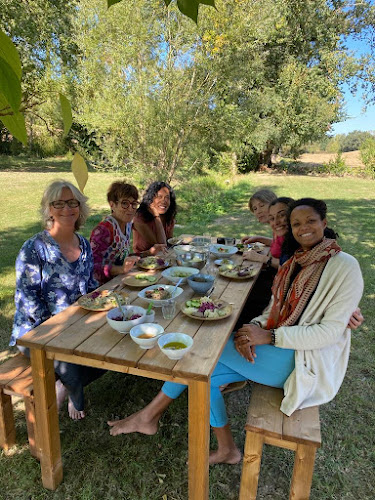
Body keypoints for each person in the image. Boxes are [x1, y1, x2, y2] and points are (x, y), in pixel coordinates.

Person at [107, 198, 364, 466]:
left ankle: (148, 417)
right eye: (296, 223)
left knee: (201, 352)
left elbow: (329, 333)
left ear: (324, 222)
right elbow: (273, 307)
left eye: (311, 221)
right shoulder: (295, 262)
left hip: (305, 363)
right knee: (204, 375)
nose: (303, 228)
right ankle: (224, 448)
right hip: (282, 348)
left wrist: (270, 336)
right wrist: (254, 329)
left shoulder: (344, 266)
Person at [11, 179, 103, 420]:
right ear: (48, 209)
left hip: (76, 323)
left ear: (80, 207)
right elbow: (28, 300)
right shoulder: (34, 248)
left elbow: (91, 286)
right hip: (36, 331)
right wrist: (61, 328)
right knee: (66, 362)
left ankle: (63, 384)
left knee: (110, 347)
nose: (67, 208)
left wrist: (102, 301)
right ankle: (74, 393)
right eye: (58, 203)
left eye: (72, 202)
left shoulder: (82, 244)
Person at [90, 181, 140, 285]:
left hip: (120, 281)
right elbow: (93, 266)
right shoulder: (103, 230)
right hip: (101, 288)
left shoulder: (127, 225)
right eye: (125, 203)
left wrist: (149, 253)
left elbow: (121, 257)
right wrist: (121, 269)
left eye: (134, 204)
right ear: (112, 204)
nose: (130, 208)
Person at [132, 181, 176, 254]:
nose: (164, 201)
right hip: (142, 260)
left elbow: (170, 244)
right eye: (159, 197)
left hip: (164, 258)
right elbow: (162, 245)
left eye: (167, 198)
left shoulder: (169, 219)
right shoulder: (139, 219)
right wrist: (156, 216)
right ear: (151, 199)